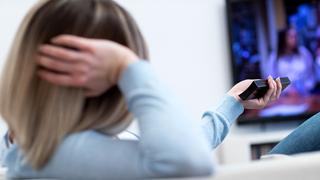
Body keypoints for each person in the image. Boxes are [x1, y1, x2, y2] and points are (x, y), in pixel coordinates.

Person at [0, 0, 282, 179]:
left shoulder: (35, 148)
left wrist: (233, 102)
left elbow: (190, 144)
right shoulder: (59, 157)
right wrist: (128, 67)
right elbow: (188, 158)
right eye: (122, 72)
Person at [266, 28, 315, 97]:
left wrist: (304, 88)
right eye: (291, 37)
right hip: (283, 97)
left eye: (295, 36)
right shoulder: (274, 57)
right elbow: (271, 79)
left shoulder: (304, 53)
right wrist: (286, 91)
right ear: (283, 39)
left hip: (304, 94)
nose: (295, 39)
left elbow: (311, 75)